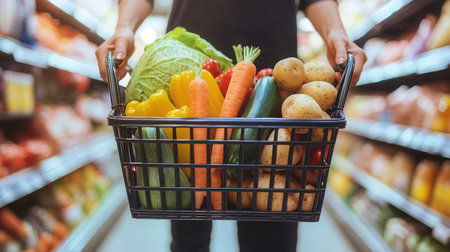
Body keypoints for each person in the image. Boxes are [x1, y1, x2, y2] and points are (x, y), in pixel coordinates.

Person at [96, 1, 367, 252]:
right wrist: (124, 29)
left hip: (277, 84)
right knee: (189, 238)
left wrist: (335, 33)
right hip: (187, 88)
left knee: (271, 235)